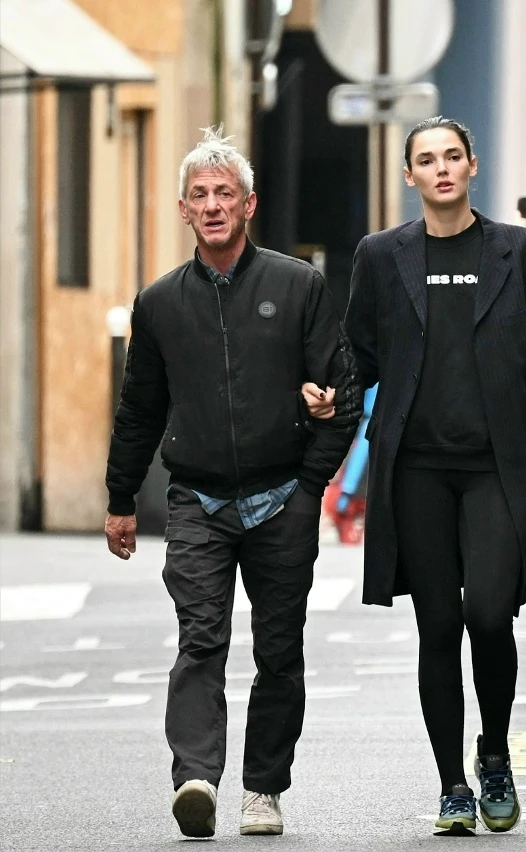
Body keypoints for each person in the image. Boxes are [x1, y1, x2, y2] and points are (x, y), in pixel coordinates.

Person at [303, 116, 526, 837]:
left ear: (472, 165)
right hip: (416, 468)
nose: (442, 168)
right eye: (427, 160)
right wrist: (330, 393)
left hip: (497, 466)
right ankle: (452, 783)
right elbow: (358, 352)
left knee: (489, 613)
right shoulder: (381, 254)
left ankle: (495, 754)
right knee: (438, 626)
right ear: (410, 176)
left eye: (453, 156)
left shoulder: (523, 253)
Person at [104, 126, 362, 839]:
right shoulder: (159, 303)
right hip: (198, 500)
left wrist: (310, 486)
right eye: (200, 195)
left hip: (283, 498)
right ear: (183, 210)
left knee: (279, 650)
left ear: (249, 204)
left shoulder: (299, 285)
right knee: (200, 639)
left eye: (225, 193)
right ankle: (195, 778)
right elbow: (138, 410)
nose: (212, 205)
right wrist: (121, 499)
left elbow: (342, 394)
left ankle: (263, 789)